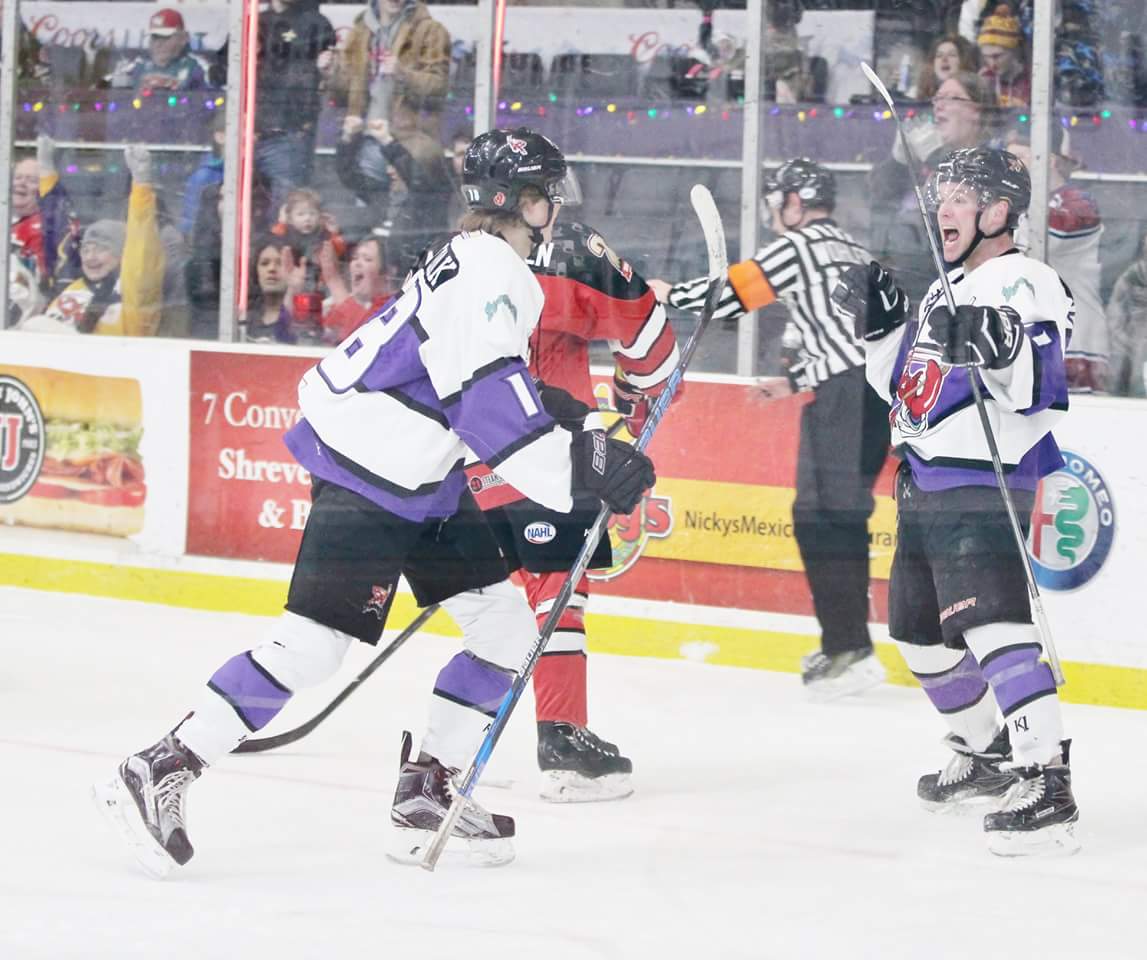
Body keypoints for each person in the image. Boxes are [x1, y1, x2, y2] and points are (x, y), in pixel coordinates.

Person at [92, 128, 656, 876]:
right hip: (373, 468)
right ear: (526, 202)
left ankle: (427, 792)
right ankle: (162, 765)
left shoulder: (470, 259)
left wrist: (582, 422)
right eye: (548, 194)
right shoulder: (497, 277)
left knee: (504, 626)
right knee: (313, 645)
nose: (554, 206)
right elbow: (488, 404)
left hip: (417, 469)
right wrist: (583, 476)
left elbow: (480, 376)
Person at [846, 146, 1079, 855]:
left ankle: (1046, 780)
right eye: (939, 195)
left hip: (984, 479)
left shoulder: (1023, 278)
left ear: (999, 211)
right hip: (924, 477)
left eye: (959, 197)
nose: (942, 208)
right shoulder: (945, 286)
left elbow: (1039, 375)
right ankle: (986, 752)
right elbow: (906, 391)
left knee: (992, 625)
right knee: (916, 635)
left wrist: (997, 341)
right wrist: (882, 330)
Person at [462, 131, 680, 800]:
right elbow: (652, 349)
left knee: (499, 612)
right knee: (557, 593)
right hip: (548, 460)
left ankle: (443, 756)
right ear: (528, 199)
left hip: (460, 467)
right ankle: (560, 739)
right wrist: (635, 399)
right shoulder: (570, 255)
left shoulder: (443, 264)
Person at [649, 159, 890, 700]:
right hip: (869, 394)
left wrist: (667, 294)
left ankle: (849, 649)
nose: (775, 213)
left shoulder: (801, 246)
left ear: (794, 202)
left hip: (846, 398)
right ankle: (848, 645)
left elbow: (733, 294)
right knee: (836, 518)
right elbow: (856, 339)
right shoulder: (852, 249)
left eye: (778, 202)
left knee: (821, 518)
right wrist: (797, 379)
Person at [870, 71, 998, 305]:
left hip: (961, 296)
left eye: (951, 98)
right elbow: (878, 201)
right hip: (910, 287)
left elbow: (963, 224)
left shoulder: (992, 161)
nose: (939, 106)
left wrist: (934, 156)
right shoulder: (929, 160)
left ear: (976, 110)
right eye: (937, 99)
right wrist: (898, 163)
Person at [18, 146, 164, 337]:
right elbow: (56, 229)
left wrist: (141, 185)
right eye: (86, 249)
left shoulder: (133, 289)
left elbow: (142, 244)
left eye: (101, 248)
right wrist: (47, 172)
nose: (90, 257)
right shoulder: (73, 285)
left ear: (123, 254)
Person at [1007, 125, 1107, 393]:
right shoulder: (1021, 204)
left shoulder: (1079, 203)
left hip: (1079, 343)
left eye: (1020, 158)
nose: (1011, 168)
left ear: (1047, 160)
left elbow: (1047, 238)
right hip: (1040, 334)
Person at [254, 0, 337, 214]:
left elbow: (326, 79)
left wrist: (318, 70)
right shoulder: (254, 21)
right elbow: (221, 71)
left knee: (285, 214)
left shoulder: (316, 24)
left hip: (289, 134)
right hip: (247, 134)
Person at [335, 0, 450, 139]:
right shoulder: (359, 32)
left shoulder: (430, 30)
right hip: (361, 140)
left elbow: (439, 88)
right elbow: (340, 94)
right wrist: (331, 72)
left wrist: (402, 74)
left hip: (407, 142)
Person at [107, 9, 211, 93]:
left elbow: (216, 104)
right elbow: (102, 88)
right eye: (154, 37)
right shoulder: (137, 65)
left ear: (183, 38)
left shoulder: (199, 67)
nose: (158, 43)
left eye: (165, 37)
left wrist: (173, 87)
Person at [320, 235, 393, 344]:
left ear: (386, 274)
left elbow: (358, 339)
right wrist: (293, 288)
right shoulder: (338, 304)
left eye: (367, 259)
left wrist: (334, 282)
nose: (357, 263)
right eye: (354, 258)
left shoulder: (393, 307)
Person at [1106, 232, 1147, 398]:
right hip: (1135, 326)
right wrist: (1118, 330)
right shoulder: (1134, 273)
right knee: (1134, 352)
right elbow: (1116, 303)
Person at [976, 3, 1030, 107]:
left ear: (1013, 51)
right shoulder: (982, 80)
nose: (992, 63)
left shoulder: (1031, 78)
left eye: (997, 56)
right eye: (986, 56)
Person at [915, 34, 980, 101]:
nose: (944, 59)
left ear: (963, 61)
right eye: (939, 55)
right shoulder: (924, 98)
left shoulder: (971, 97)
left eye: (952, 55)